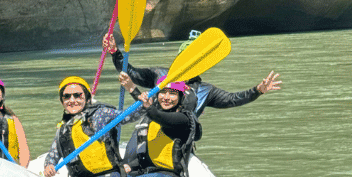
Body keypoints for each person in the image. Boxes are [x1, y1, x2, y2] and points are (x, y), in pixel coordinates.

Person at [103, 32, 282, 121]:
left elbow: (233, 99)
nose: (189, 65)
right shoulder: (159, 74)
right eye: (186, 59)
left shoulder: (205, 90)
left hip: (179, 140)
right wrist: (114, 52)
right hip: (151, 129)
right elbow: (131, 73)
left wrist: (258, 90)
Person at [41, 76, 127, 177]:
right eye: (67, 96)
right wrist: (49, 166)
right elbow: (52, 155)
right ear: (62, 101)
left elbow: (129, 116)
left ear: (86, 98)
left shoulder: (100, 115)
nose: (72, 100)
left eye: (77, 95)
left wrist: (135, 92)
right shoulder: (63, 129)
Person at [118, 72, 199, 177]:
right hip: (144, 173)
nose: (166, 98)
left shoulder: (183, 120)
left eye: (172, 93)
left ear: (180, 97)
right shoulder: (151, 118)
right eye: (163, 92)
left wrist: (142, 100)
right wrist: (131, 87)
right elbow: (152, 111)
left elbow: (160, 117)